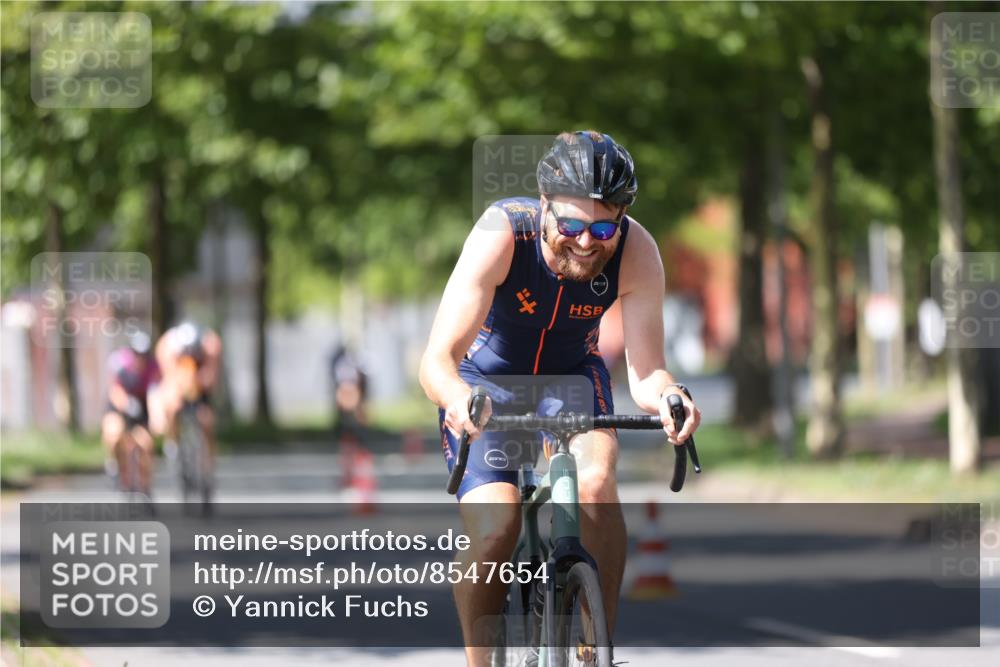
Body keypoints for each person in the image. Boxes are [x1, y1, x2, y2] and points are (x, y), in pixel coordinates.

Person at [419, 131, 702, 666]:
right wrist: (458, 399)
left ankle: (597, 648)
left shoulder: (637, 250)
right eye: (571, 225)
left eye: (602, 227)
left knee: (595, 483)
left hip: (572, 377)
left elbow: (646, 371)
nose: (587, 242)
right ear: (544, 205)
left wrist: (669, 395)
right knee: (497, 528)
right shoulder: (503, 233)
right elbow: (436, 359)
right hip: (486, 384)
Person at [150, 321, 223, 502]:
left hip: (200, 387)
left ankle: (208, 467)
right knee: (172, 406)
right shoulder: (167, 347)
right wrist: (183, 386)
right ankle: (173, 441)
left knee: (207, 422)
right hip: (177, 382)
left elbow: (211, 378)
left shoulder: (211, 345)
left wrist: (197, 382)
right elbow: (169, 379)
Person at [101, 330, 160, 496]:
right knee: (114, 433)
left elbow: (155, 393)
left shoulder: (152, 367)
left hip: (141, 407)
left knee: (146, 445)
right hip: (119, 406)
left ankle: (146, 487)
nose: (140, 358)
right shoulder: (119, 362)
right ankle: (113, 463)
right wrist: (127, 405)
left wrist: (156, 417)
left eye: (144, 355)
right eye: (137, 354)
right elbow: (115, 391)